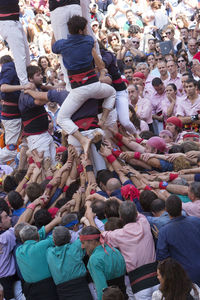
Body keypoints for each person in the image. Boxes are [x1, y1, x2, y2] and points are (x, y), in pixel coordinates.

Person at [52, 15, 116, 157]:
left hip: (78, 91)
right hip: (94, 86)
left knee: (61, 119)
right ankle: (103, 120)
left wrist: (54, 31)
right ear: (81, 30)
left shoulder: (62, 44)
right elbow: (87, 39)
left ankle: (82, 140)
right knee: (111, 92)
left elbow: (53, 47)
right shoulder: (88, 40)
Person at [156, 195, 200, 286]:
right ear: (181, 207)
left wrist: (160, 238)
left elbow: (162, 258)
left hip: (185, 277)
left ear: (166, 210)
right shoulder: (196, 221)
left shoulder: (164, 232)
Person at [18, 65, 56, 167]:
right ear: (30, 79)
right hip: (36, 137)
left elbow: (54, 88)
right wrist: (54, 95)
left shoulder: (38, 89)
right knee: (45, 167)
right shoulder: (25, 94)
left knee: (53, 165)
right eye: (38, 75)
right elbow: (39, 101)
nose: (41, 77)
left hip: (45, 134)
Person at [80, 225, 127, 300]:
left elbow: (101, 290)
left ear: (92, 241)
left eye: (83, 243)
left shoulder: (94, 260)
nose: (82, 246)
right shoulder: (115, 251)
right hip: (123, 296)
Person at [46, 226, 93, 300]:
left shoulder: (49, 252)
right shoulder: (77, 246)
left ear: (54, 240)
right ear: (70, 237)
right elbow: (88, 233)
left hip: (65, 292)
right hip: (81, 288)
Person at [0, 55, 31, 164]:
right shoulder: (9, 68)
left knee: (26, 143)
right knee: (11, 150)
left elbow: (4, 87)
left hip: (15, 113)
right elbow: (3, 87)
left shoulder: (8, 68)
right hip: (11, 115)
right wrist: (23, 87)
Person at [0, 0, 30, 85]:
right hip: (7, 22)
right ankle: (25, 85)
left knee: (26, 54)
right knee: (20, 56)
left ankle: (30, 80)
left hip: (15, 20)